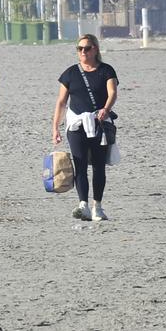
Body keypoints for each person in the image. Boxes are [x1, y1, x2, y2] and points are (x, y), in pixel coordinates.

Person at [52, 34, 118, 222]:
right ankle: (83, 205)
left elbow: (112, 93)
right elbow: (61, 102)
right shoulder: (70, 73)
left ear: (95, 49)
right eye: (80, 49)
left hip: (99, 123)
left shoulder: (106, 71)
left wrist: (106, 109)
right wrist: (55, 128)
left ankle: (97, 206)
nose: (83, 52)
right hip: (76, 124)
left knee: (98, 166)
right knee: (79, 165)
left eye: (87, 48)